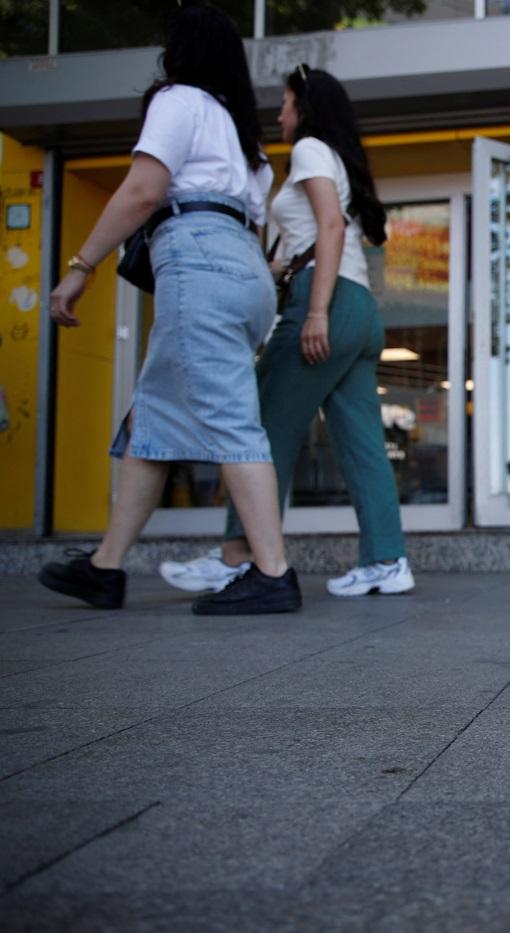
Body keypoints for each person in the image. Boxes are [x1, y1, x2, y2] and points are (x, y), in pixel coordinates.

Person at [37, 3, 300, 615]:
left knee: (231, 420)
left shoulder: (178, 102)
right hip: (243, 271)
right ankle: (105, 568)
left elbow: (143, 191)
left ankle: (272, 572)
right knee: (151, 421)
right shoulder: (244, 137)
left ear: (178, 54)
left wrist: (80, 267)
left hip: (199, 261)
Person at [159, 65, 415, 598]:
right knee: (363, 442)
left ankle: (238, 554)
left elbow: (330, 227)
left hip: (328, 302)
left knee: (263, 424)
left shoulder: (310, 149)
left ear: (306, 107)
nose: (279, 115)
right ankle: (387, 561)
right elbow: (324, 235)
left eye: (286, 103)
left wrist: (316, 312)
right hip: (358, 308)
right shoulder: (337, 158)